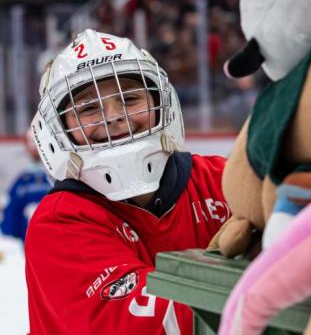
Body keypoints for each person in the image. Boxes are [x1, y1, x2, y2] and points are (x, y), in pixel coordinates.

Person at [25, 29, 231, 335]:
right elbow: (138, 326)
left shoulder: (221, 181)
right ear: (58, 129)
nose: (112, 117)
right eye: (88, 109)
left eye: (129, 99)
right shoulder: (58, 222)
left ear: (160, 101)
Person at [0, 129, 52, 243]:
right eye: (31, 144)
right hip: (25, 241)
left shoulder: (55, 177)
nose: (34, 149)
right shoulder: (21, 179)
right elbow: (12, 209)